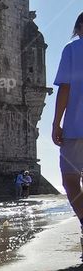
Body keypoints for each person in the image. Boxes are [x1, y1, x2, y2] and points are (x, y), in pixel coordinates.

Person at [52, 12, 83, 247]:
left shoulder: (72, 50)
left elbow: (65, 88)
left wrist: (56, 123)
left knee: (70, 180)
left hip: (76, 128)